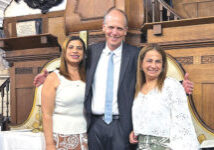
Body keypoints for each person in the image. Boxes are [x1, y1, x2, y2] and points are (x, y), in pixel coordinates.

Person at [34, 7, 194, 150]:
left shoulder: (135, 54)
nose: (114, 32)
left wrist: (180, 85)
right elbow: (73, 65)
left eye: (119, 28)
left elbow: (152, 72)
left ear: (125, 31)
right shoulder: (92, 52)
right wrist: (51, 73)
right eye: (111, 27)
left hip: (122, 125)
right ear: (104, 28)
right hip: (93, 125)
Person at [129, 44, 199, 150]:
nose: (153, 65)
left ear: (163, 65)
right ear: (140, 64)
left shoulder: (172, 86)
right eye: (149, 60)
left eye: (158, 61)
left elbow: (182, 125)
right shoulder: (138, 88)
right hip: (141, 146)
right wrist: (136, 131)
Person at [41, 36, 88, 150]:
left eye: (79, 48)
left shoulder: (88, 76)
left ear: (84, 53)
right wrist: (49, 144)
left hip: (85, 135)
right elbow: (46, 115)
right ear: (64, 51)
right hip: (61, 136)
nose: (75, 51)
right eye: (71, 47)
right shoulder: (53, 78)